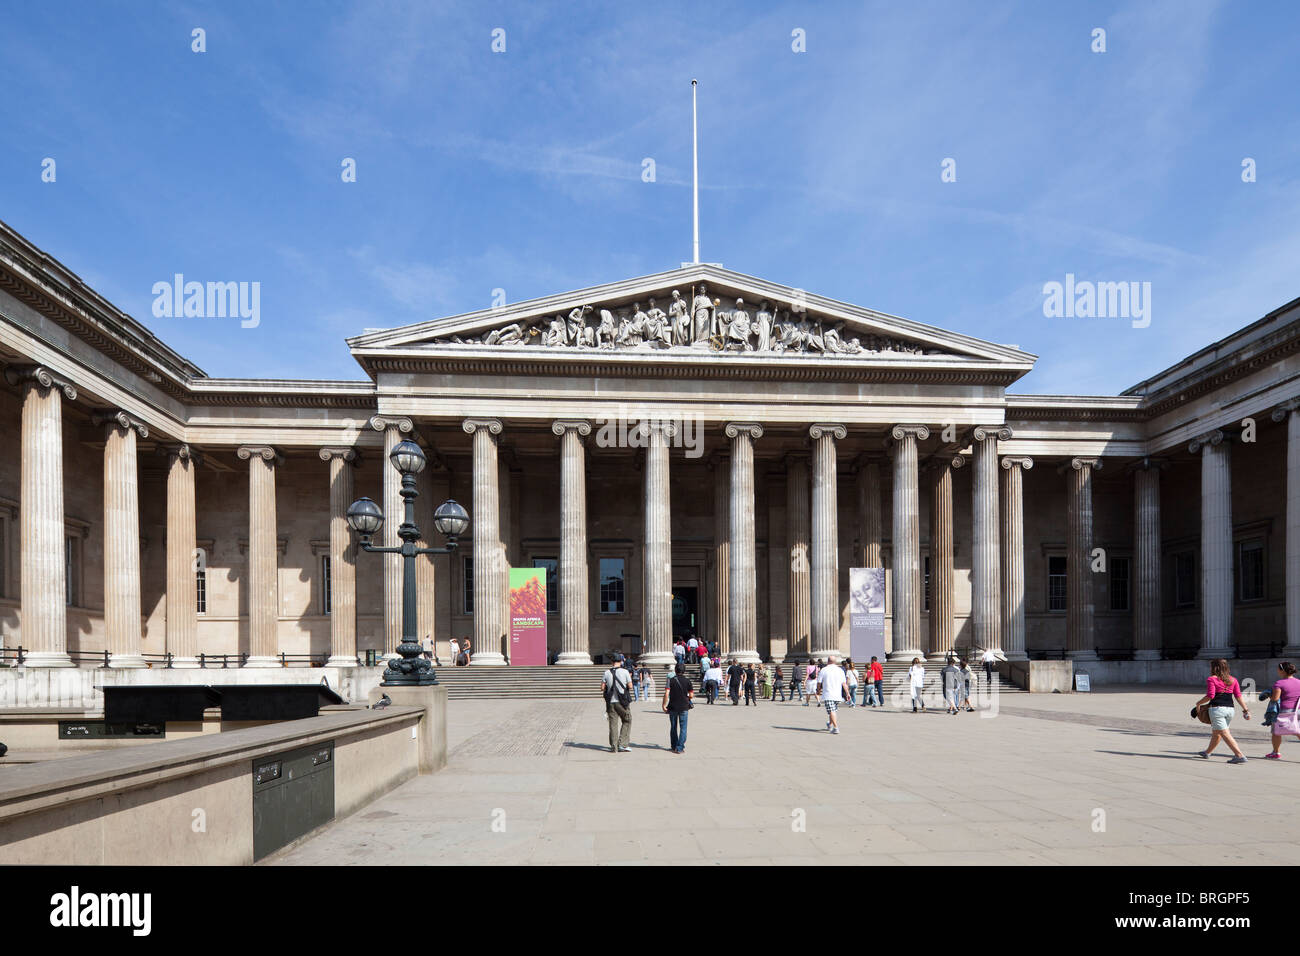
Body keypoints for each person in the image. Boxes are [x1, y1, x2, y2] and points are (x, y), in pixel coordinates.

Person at [1193, 658, 1251, 763]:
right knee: (1217, 732)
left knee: (1224, 732)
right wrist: (1245, 710)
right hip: (1230, 710)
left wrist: (1198, 703)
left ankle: (1239, 755)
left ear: (1214, 668)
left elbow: (1210, 695)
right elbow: (1238, 696)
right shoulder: (1233, 680)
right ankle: (1207, 752)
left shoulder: (1212, 679)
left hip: (1217, 710)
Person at [1265, 661, 1300, 758]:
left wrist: (1269, 695)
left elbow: (1275, 699)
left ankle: (1276, 752)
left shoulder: (1279, 683)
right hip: (1298, 710)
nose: (1277, 671)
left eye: (1278, 669)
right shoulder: (1299, 682)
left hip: (1283, 711)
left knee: (1276, 732)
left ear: (1282, 671)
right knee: (1298, 731)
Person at [601, 653, 633, 753]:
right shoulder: (625, 672)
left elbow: (602, 687)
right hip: (622, 702)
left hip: (611, 702)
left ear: (612, 662)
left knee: (613, 724)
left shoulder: (606, 672)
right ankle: (622, 744)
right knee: (627, 720)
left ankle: (613, 746)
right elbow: (631, 686)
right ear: (621, 661)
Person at [663, 662, 694, 754]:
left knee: (673, 727)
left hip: (672, 706)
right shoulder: (688, 681)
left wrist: (664, 705)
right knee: (683, 728)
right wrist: (686, 698)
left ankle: (673, 745)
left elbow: (666, 693)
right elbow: (691, 695)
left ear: (675, 670)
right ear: (684, 671)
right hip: (684, 706)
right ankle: (680, 747)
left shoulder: (671, 680)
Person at [818, 656, 848, 734]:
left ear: (828, 661)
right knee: (833, 711)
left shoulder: (823, 670)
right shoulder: (840, 670)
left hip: (828, 694)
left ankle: (835, 727)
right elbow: (844, 683)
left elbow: (819, 682)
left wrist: (818, 691)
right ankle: (829, 724)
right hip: (838, 695)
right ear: (835, 662)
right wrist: (847, 693)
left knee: (832, 711)